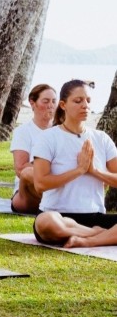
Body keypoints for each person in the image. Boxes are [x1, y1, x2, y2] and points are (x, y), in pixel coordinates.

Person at [32, 80, 117, 247]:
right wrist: (78, 170)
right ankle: (99, 234)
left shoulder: (101, 138)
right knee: (45, 222)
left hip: (95, 216)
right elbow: (40, 184)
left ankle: (86, 241)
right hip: (58, 216)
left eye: (88, 101)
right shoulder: (48, 138)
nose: (85, 105)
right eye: (78, 101)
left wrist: (94, 171)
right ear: (63, 105)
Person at [9, 84, 57, 214]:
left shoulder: (61, 131)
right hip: (28, 194)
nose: (50, 105)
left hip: (54, 187)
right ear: (32, 103)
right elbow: (20, 169)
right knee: (27, 173)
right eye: (45, 101)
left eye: (54, 101)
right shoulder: (23, 131)